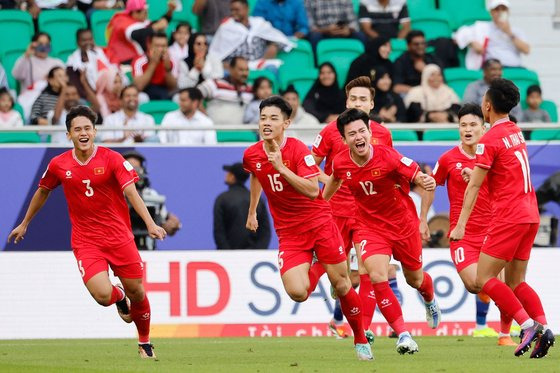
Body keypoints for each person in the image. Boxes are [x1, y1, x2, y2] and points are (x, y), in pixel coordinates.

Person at [8, 105, 167, 359]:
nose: (83, 133)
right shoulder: (59, 164)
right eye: (77, 129)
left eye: (87, 128)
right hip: (86, 240)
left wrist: (150, 224)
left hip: (119, 237)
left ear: (95, 131)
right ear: (69, 134)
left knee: (138, 292)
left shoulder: (112, 158)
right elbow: (43, 190)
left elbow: (130, 192)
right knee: (103, 295)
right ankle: (119, 297)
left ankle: (145, 342)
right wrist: (25, 222)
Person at [244, 96, 373, 361]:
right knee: (297, 292)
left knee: (342, 283)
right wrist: (252, 210)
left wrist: (281, 168)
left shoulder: (298, 151)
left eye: (273, 118)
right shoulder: (252, 154)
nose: (266, 123)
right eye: (263, 118)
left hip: (319, 223)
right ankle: (317, 264)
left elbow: (314, 190)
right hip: (289, 231)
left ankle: (360, 339)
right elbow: (256, 173)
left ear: (286, 123)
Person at [449, 78, 555, 358]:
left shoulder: (489, 139)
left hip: (509, 216)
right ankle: (544, 327)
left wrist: (460, 225)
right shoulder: (515, 131)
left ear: (487, 106)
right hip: (530, 214)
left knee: (484, 278)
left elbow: (473, 187)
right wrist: (477, 175)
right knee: (516, 282)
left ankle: (528, 325)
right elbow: (504, 173)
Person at [323, 108, 440, 354]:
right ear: (344, 140)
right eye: (351, 133)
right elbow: (334, 180)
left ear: (369, 132)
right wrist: (322, 207)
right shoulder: (341, 161)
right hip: (369, 227)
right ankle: (404, 335)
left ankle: (429, 300)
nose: (358, 137)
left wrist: (425, 181)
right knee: (377, 276)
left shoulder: (389, 157)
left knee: (415, 280)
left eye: (362, 131)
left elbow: (417, 175)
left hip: (402, 226)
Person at [421, 103, 517, 345]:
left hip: (495, 229)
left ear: (483, 128)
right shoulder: (448, 159)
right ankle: (502, 323)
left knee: (503, 283)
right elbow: (431, 186)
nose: (467, 129)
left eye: (473, 124)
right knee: (476, 284)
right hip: (463, 233)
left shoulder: (494, 155)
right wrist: (422, 219)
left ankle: (505, 334)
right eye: (463, 125)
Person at [311, 76, 398, 337]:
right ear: (346, 101)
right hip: (335, 212)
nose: (357, 103)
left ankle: (364, 329)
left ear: (371, 104)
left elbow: (390, 170)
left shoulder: (383, 134)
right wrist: (331, 181)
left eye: (362, 99)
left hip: (368, 214)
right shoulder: (330, 131)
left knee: (368, 272)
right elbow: (309, 163)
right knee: (342, 279)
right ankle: (339, 314)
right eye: (352, 98)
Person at [123, 150, 181, 251]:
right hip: (121, 249)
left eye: (137, 168)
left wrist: (172, 224)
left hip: (148, 250)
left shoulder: (152, 195)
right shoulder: (113, 195)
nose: (133, 171)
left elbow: (166, 226)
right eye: (129, 168)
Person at [208, 0, 294, 68]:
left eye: (237, 10)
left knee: (272, 69)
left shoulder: (259, 23)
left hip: (259, 63)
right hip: (235, 67)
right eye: (232, 10)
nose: (233, 13)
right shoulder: (226, 27)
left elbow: (279, 39)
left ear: (246, 9)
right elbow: (216, 53)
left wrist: (273, 47)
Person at [453, 0, 529, 69]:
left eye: (503, 9)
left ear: (508, 12)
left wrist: (509, 33)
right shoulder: (482, 27)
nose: (500, 12)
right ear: (491, 12)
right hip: (492, 67)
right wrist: (471, 42)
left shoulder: (516, 31)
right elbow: (458, 35)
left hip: (514, 67)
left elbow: (526, 50)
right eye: (497, 9)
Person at [214, 162, 271, 250]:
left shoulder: (222, 199)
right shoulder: (257, 200)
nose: (226, 175)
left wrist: (227, 254)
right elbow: (265, 232)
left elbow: (219, 232)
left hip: (228, 258)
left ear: (232, 177)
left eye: (228, 173)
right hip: (254, 258)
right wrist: (258, 253)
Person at [12, 32, 64, 119]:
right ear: (34, 44)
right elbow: (16, 75)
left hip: (53, 100)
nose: (44, 47)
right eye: (40, 44)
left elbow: (65, 80)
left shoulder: (57, 62)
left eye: (47, 44)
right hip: (31, 101)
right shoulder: (27, 60)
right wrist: (26, 54)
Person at [105, 0, 174, 65]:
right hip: (121, 61)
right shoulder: (121, 20)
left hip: (135, 60)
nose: (146, 15)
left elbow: (161, 24)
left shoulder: (139, 20)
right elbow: (135, 34)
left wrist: (170, 11)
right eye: (145, 12)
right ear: (135, 12)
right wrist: (155, 27)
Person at [197, 56, 253, 125]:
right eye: (241, 70)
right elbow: (194, 95)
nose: (245, 73)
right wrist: (205, 118)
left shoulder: (251, 89)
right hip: (215, 131)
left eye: (247, 70)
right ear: (231, 69)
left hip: (239, 133)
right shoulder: (216, 83)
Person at [66, 28, 113, 98]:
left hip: (107, 92)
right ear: (77, 42)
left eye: (90, 39)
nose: (88, 42)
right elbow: (76, 84)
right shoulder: (72, 60)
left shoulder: (100, 53)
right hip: (88, 96)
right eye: (84, 40)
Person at [392, 30, 441, 95]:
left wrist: (425, 70)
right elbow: (396, 88)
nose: (420, 46)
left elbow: (441, 83)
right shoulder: (400, 62)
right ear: (408, 46)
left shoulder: (433, 59)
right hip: (411, 94)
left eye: (423, 43)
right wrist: (419, 92)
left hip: (432, 93)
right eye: (416, 44)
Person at [132, 32, 177, 100]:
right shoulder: (139, 61)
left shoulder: (171, 60)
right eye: (157, 46)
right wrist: (153, 63)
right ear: (149, 45)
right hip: (146, 91)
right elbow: (139, 86)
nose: (160, 49)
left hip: (165, 92)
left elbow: (173, 87)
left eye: (163, 46)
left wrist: (168, 70)